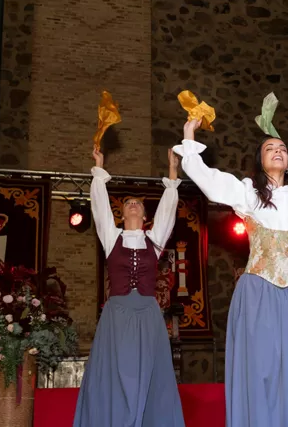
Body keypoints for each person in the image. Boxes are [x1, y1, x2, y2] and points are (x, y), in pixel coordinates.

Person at [173, 118, 288, 427]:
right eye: (270, 148)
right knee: (262, 368)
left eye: (282, 148)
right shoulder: (247, 193)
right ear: (260, 160)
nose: (278, 151)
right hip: (259, 290)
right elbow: (209, 179)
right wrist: (189, 136)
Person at [73, 146, 185, 427]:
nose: (132, 204)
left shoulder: (154, 240)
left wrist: (172, 174)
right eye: (127, 203)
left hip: (148, 314)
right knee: (117, 374)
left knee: (149, 374)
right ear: (121, 213)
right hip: (118, 315)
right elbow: (99, 209)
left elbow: (168, 213)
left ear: (145, 214)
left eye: (138, 203)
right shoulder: (112, 238)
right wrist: (99, 172)